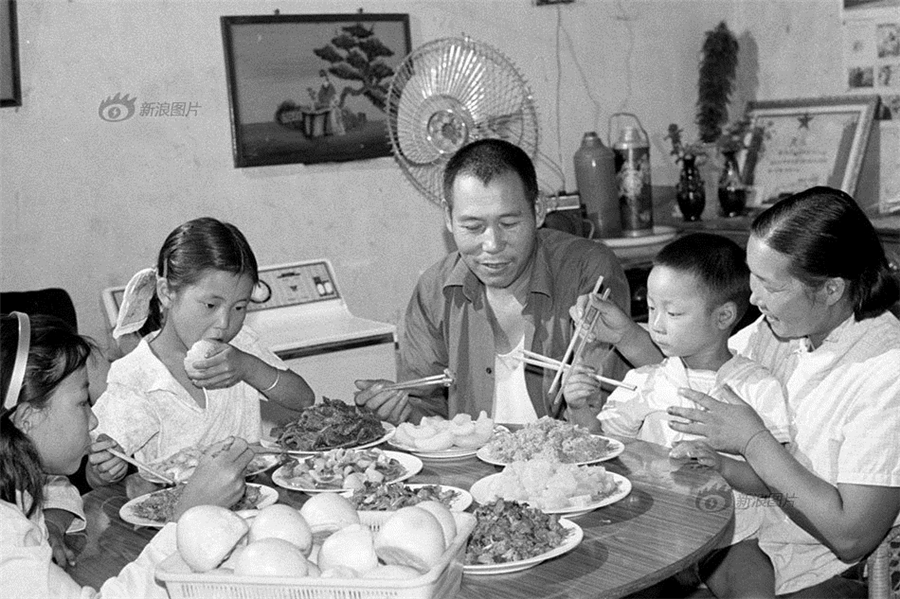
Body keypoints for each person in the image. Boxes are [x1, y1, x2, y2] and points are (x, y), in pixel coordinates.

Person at [583, 187, 900, 597]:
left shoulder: (886, 369)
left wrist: (751, 440)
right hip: (732, 541)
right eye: (753, 275)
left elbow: (851, 536)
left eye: (770, 285)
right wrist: (627, 334)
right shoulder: (783, 327)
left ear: (831, 289)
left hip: (819, 573)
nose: (753, 297)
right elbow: (697, 371)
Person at [355, 138, 629, 425]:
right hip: (473, 468)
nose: (492, 244)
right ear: (449, 219)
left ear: (538, 211)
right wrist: (401, 412)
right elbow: (429, 412)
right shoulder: (436, 290)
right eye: (473, 227)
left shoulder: (587, 271)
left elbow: (612, 409)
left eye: (509, 224)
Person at [0, 312, 254, 597]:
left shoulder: (18, 490)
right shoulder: (6, 534)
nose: (93, 421)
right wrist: (186, 519)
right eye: (83, 402)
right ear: (27, 418)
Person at [565, 232, 790, 547]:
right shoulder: (645, 381)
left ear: (723, 316)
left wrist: (722, 464)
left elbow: (773, 481)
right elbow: (603, 448)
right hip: (651, 523)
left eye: (672, 313)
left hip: (734, 533)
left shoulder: (756, 386)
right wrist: (581, 410)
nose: (655, 324)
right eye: (652, 308)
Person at [90, 217, 315, 474]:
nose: (224, 323)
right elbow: (97, 468)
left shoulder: (241, 346)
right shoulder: (137, 376)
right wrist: (107, 468)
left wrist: (249, 368)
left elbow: (304, 400)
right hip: (179, 510)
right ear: (166, 293)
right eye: (210, 305)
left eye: (239, 307)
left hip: (254, 502)